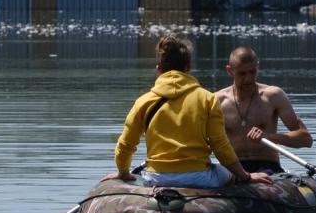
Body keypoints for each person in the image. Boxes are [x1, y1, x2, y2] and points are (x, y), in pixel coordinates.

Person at [116, 34, 272, 189]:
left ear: (159, 69)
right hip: (200, 177)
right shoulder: (207, 99)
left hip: (157, 178)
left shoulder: (143, 101)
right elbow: (220, 146)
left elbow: (125, 145)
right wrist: (245, 176)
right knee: (228, 175)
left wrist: (123, 173)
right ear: (188, 67)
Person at [216, 46, 312, 174]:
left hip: (267, 167)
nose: (248, 79)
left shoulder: (273, 96)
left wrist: (269, 137)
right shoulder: (217, 100)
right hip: (231, 168)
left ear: (258, 66)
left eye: (252, 72)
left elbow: (305, 139)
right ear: (230, 71)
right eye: (242, 74)